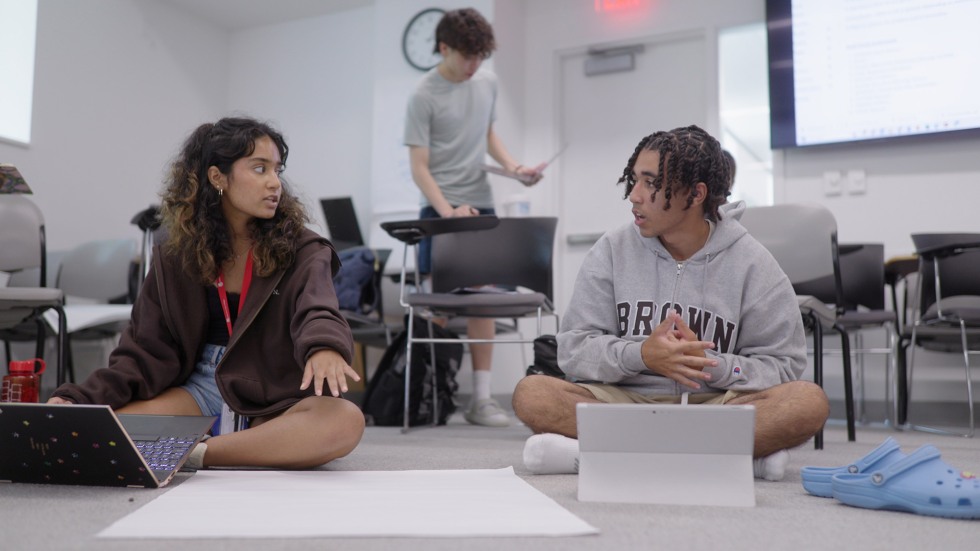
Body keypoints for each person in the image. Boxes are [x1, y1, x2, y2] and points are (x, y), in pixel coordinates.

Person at [511, 125, 828, 481]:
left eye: (650, 182)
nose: (634, 195)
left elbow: (784, 364)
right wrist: (642, 355)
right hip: (622, 402)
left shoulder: (752, 262)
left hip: (716, 405)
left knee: (807, 402)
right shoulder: (612, 250)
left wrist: (710, 364)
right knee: (533, 393)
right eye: (633, 180)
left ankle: (606, 453)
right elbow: (573, 350)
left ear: (695, 194)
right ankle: (723, 456)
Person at [49, 117, 365, 469]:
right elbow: (141, 351)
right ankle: (238, 446)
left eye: (277, 170)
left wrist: (324, 346)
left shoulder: (305, 248)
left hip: (272, 392)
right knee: (100, 427)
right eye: (259, 169)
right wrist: (78, 398)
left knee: (345, 421)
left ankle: (199, 452)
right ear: (218, 177)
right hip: (201, 386)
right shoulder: (174, 255)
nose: (275, 183)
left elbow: (318, 306)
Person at [404, 8, 541, 427]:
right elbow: (419, 167)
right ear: (444, 48)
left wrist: (515, 168)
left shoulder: (487, 82)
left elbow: (487, 135)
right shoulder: (423, 95)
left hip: (480, 203)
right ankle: (432, 393)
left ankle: (481, 399)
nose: (475, 65)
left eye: (481, 57)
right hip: (440, 208)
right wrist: (447, 213)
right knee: (441, 304)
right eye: (468, 56)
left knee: (482, 297)